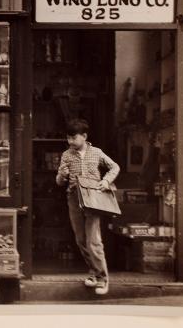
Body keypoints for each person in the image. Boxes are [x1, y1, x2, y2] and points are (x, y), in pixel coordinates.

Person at [56, 118, 120, 295]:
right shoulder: (66, 155)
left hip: (93, 200)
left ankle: (102, 278)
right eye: (68, 138)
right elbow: (59, 182)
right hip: (73, 198)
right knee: (80, 239)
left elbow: (115, 167)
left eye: (73, 138)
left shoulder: (97, 152)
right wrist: (62, 175)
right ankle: (93, 272)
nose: (70, 142)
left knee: (93, 240)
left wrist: (106, 181)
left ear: (84, 136)